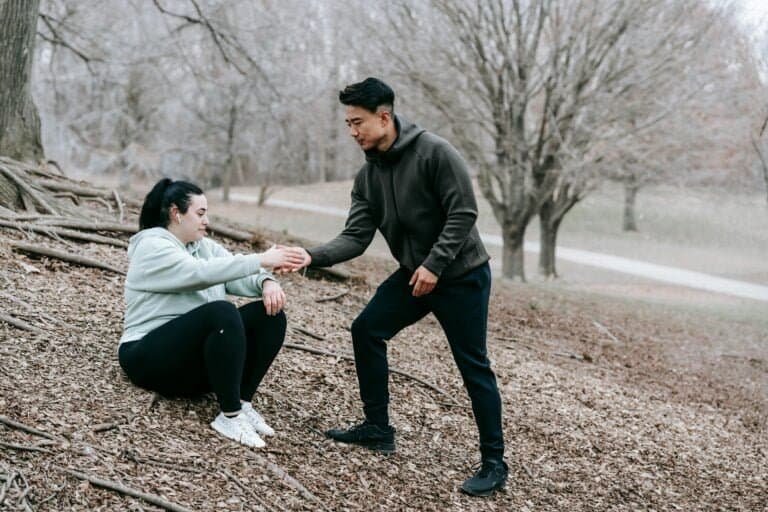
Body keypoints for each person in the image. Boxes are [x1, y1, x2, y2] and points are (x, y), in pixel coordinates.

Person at [290, 78, 507, 496]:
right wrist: (310, 256)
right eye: (348, 124)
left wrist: (435, 265)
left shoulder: (436, 153)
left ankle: (494, 464)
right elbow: (355, 237)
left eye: (358, 123)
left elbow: (463, 213)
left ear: (384, 117)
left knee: (472, 365)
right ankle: (377, 428)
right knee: (366, 329)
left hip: (461, 276)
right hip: (414, 275)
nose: (352, 132)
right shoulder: (368, 175)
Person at [119, 178, 305, 448]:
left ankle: (240, 403)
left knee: (270, 315)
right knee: (221, 312)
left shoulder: (202, 246)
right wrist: (262, 259)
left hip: (190, 365)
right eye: (201, 213)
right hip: (147, 359)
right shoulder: (152, 247)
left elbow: (233, 271)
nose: (207, 221)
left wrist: (267, 282)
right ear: (176, 213)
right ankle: (229, 416)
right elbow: (198, 274)